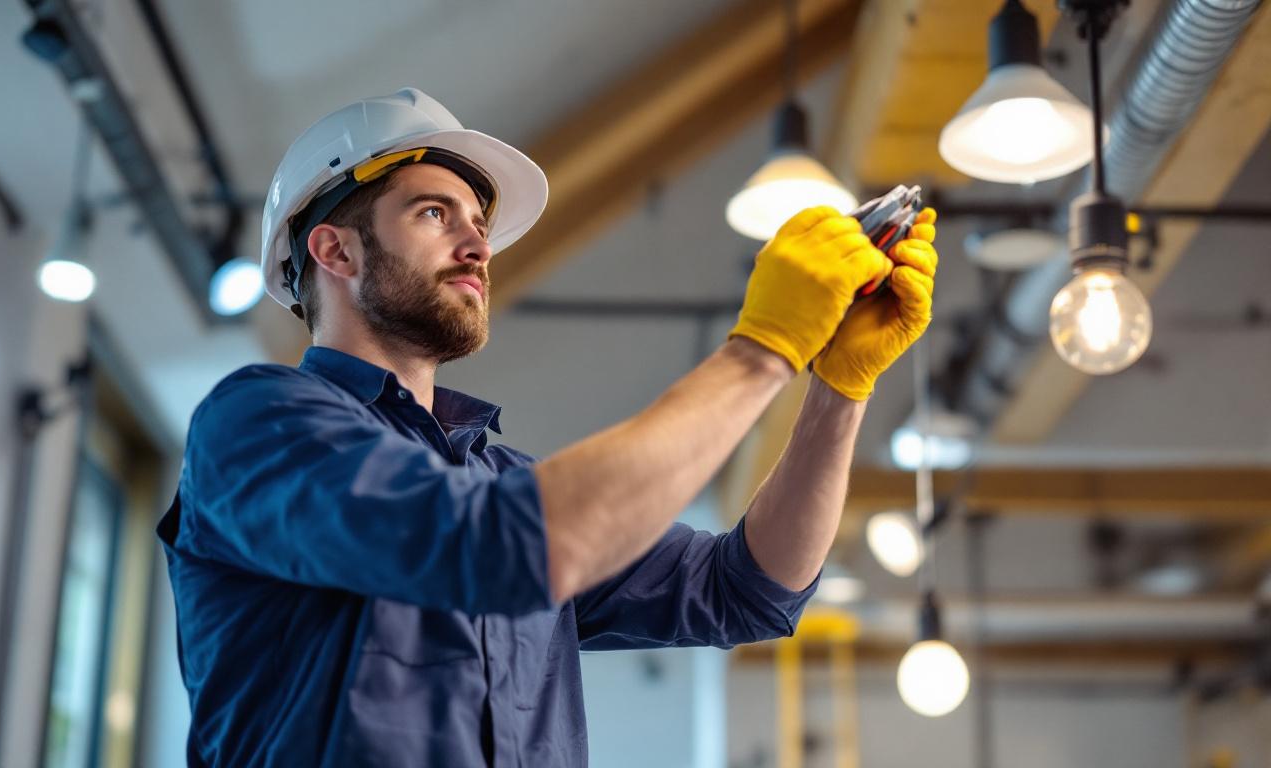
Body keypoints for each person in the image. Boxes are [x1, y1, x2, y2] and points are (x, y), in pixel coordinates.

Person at [156, 87, 938, 767]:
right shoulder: (257, 423)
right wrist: (761, 353)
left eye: (478, 222)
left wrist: (839, 387)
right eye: (434, 213)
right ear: (335, 249)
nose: (478, 246)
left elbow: (749, 590)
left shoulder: (503, 483)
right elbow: (494, 546)